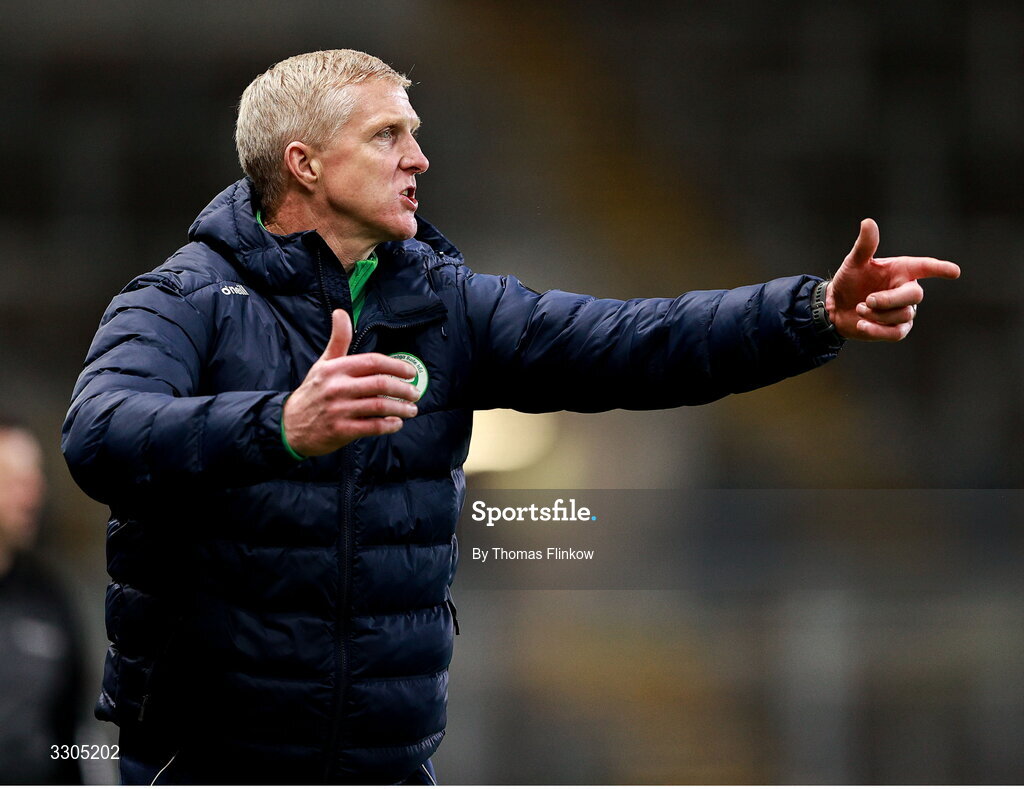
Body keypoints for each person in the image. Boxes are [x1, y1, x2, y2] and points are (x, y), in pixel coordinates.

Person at [61, 49, 960, 785]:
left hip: (387, 766)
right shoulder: (184, 299)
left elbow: (634, 341)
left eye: (415, 135)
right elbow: (99, 434)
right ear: (303, 163)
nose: (419, 159)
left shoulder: (445, 304)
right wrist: (279, 424)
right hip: (208, 767)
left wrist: (809, 313)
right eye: (388, 135)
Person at [0, 419, 85, 784]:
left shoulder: (49, 598)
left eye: (35, 481)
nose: (33, 496)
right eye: (15, 482)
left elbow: (74, 735)